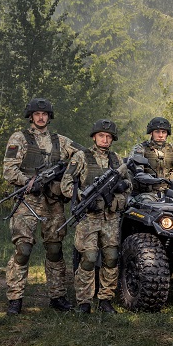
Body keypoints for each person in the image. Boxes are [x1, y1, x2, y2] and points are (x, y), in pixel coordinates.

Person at [2, 98, 80, 315]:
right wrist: (28, 181)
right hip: (27, 201)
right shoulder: (19, 138)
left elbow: (83, 155)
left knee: (55, 249)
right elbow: (9, 170)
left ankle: (57, 297)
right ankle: (15, 299)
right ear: (31, 116)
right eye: (37, 114)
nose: (41, 117)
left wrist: (66, 176)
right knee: (23, 249)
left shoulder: (60, 141)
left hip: (53, 203)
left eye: (44, 114)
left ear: (49, 117)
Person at [61, 119, 131, 313]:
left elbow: (129, 185)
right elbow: (66, 184)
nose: (105, 139)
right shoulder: (81, 157)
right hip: (88, 218)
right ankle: (84, 301)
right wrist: (82, 197)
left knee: (111, 257)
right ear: (94, 137)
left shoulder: (117, 159)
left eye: (108, 137)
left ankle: (105, 299)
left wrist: (120, 191)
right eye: (101, 136)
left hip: (111, 218)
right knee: (89, 258)